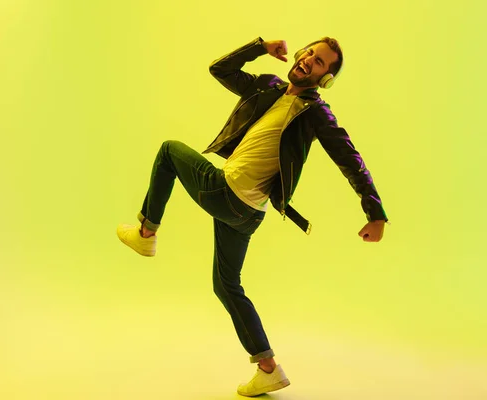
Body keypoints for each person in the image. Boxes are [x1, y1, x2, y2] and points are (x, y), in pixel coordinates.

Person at [116, 36, 389, 397]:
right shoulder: (268, 87)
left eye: (320, 62)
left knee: (169, 150)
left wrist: (375, 213)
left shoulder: (316, 113)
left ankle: (146, 233)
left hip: (229, 193)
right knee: (227, 285)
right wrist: (260, 46)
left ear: (326, 80)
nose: (309, 59)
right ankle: (268, 369)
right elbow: (220, 69)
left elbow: (350, 159)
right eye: (310, 52)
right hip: (248, 213)